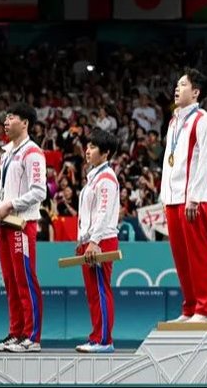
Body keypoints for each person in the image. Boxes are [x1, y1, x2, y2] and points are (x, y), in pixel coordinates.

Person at [160, 68, 207, 323]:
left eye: (183, 85)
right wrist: (164, 197)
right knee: (181, 258)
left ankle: (205, 311)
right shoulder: (174, 122)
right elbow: (169, 162)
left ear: (196, 92)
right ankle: (190, 307)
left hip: (193, 200)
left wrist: (194, 197)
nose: (176, 88)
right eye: (177, 84)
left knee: (198, 256)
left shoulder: (204, 121)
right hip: (173, 199)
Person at [0, 103, 46, 352]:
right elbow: (3, 191)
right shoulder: (7, 154)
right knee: (10, 280)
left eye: (11, 117)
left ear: (25, 123)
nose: (6, 121)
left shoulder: (32, 152)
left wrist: (10, 205)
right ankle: (15, 332)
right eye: (5, 118)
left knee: (25, 278)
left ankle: (32, 336)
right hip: (3, 224)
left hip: (22, 224)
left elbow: (39, 191)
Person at [75, 128, 120, 353]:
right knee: (93, 292)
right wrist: (81, 240)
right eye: (88, 146)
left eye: (93, 147)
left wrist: (93, 242)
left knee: (101, 290)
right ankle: (96, 337)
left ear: (106, 153)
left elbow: (103, 212)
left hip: (102, 241)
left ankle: (105, 340)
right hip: (90, 240)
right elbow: (87, 215)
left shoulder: (107, 178)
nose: (87, 150)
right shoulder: (92, 178)